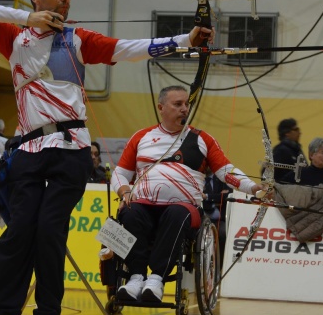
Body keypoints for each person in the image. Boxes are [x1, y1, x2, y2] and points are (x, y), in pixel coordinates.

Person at [0, 0, 213, 315]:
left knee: (50, 231)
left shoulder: (76, 38)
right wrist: (26, 17)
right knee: (17, 232)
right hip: (29, 150)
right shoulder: (14, 38)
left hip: (71, 150)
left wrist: (186, 40)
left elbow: (129, 49)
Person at [111, 85, 263, 303]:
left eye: (186, 104)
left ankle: (156, 280)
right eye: (177, 104)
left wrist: (252, 187)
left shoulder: (202, 139)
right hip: (144, 205)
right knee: (130, 212)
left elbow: (225, 171)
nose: (184, 109)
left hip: (183, 208)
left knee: (176, 213)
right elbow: (119, 173)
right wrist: (124, 190)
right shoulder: (141, 137)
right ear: (161, 108)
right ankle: (135, 278)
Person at [202, 167, 232, 265]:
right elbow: (197, 196)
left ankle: (222, 263)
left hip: (220, 219)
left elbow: (228, 196)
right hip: (203, 218)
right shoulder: (198, 178)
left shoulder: (223, 178)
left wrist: (207, 196)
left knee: (223, 233)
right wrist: (218, 197)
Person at [271, 118, 304, 182]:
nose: (299, 132)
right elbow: (267, 172)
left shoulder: (296, 149)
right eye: (296, 129)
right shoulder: (281, 151)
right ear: (287, 133)